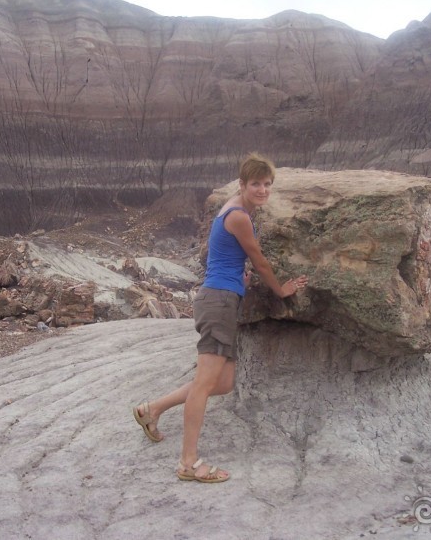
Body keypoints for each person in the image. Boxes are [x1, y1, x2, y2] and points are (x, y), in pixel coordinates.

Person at [132, 153, 308, 483]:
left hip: (222, 298)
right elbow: (260, 262)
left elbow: (224, 256)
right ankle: (188, 463)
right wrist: (281, 290)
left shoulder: (232, 208)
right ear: (242, 185)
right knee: (203, 384)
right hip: (218, 303)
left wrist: (237, 280)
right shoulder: (240, 217)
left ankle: (152, 409)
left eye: (267, 184)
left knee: (223, 383)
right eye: (256, 184)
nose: (263, 190)